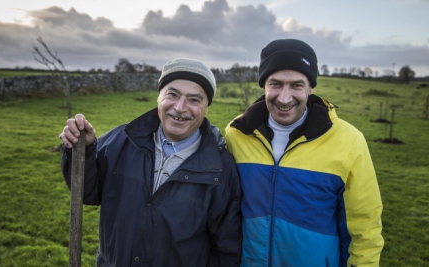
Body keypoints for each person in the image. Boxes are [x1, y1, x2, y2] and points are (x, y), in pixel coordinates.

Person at [59, 58, 242, 266]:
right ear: (159, 97)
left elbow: (226, 248)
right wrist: (83, 151)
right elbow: (87, 192)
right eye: (172, 94)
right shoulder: (121, 140)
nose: (180, 108)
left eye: (194, 99)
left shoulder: (220, 167)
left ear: (206, 107)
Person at [225, 39, 384, 266]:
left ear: (310, 88)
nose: (284, 97)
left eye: (296, 85)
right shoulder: (236, 134)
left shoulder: (349, 141)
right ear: (264, 86)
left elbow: (364, 227)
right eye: (276, 84)